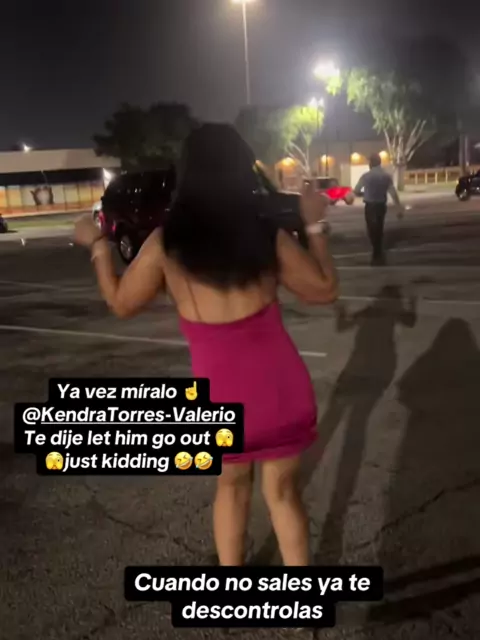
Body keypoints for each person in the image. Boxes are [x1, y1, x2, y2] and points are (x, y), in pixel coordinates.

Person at [74, 123, 338, 566]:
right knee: (283, 493)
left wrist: (99, 245)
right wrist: (314, 224)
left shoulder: (166, 242)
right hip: (280, 390)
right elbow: (324, 289)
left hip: (221, 399)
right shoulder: (265, 233)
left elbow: (120, 302)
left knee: (231, 489)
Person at [354, 153, 404, 265]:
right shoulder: (386, 176)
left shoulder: (366, 176)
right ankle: (378, 252)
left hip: (370, 206)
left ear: (371, 163)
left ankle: (376, 252)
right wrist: (399, 208)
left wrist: (365, 194)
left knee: (371, 229)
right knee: (379, 228)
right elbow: (393, 193)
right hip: (381, 205)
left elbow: (356, 190)